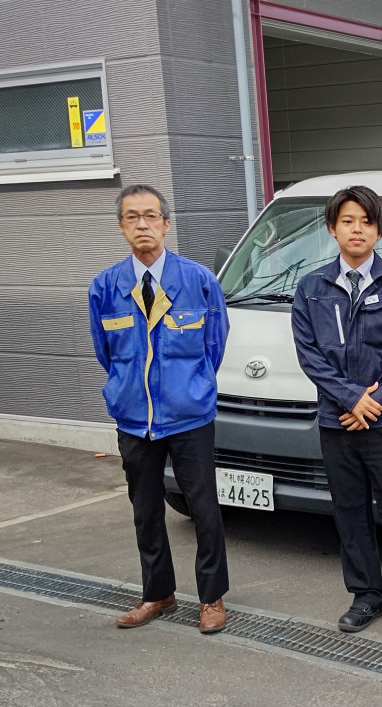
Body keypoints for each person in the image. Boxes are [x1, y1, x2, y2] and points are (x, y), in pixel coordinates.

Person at [291, 186, 382, 636]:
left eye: (366, 222)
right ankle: (366, 595)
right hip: (338, 421)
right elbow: (309, 354)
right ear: (332, 228)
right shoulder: (311, 288)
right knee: (350, 512)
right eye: (348, 221)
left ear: (379, 231)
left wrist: (373, 401)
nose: (358, 229)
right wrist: (350, 398)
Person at [89, 184, 231, 634]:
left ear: (166, 224)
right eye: (132, 217)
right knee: (145, 510)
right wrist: (129, 389)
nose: (142, 224)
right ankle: (158, 594)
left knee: (203, 508)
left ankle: (211, 598)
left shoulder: (199, 281)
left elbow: (214, 347)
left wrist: (191, 388)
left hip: (190, 417)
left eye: (151, 216)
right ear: (121, 227)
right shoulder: (106, 287)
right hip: (135, 419)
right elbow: (106, 353)